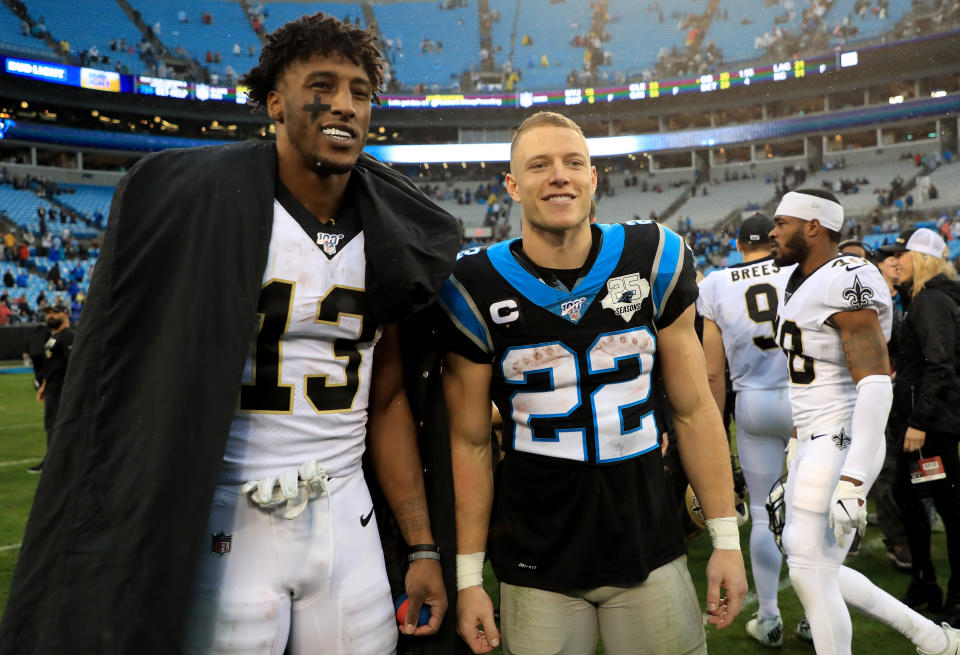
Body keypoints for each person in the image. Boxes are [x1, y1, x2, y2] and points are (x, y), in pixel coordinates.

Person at [0, 13, 462, 655]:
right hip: (228, 513)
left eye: (360, 92)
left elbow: (385, 402)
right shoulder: (206, 212)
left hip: (346, 509)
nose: (344, 105)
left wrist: (420, 544)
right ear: (274, 102)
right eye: (322, 85)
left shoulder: (388, 232)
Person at [439, 111, 747, 655]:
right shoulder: (473, 285)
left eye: (572, 162)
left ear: (593, 177)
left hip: (647, 543)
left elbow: (696, 409)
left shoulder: (654, 256)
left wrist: (726, 539)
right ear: (511, 185)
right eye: (539, 165)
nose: (559, 175)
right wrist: (467, 578)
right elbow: (468, 442)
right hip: (535, 555)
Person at [769, 189, 960, 655]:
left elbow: (875, 382)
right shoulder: (799, 278)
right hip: (815, 436)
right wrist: (795, 448)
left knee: (810, 570)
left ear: (814, 226)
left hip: (843, 435)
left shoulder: (847, 278)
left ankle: (931, 639)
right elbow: (806, 382)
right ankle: (933, 639)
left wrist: (853, 479)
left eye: (782, 222)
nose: (772, 231)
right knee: (812, 567)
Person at [698, 213, 795, 646]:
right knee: (816, 507)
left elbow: (713, 374)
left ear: (738, 246)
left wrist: (715, 428)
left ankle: (770, 616)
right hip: (804, 399)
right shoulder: (797, 270)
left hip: (752, 402)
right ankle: (818, 613)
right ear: (774, 242)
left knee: (761, 513)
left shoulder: (714, 284)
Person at [881, 228, 960, 626]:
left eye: (904, 254)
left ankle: (952, 595)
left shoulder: (929, 301)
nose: (898, 261)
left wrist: (919, 422)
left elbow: (940, 365)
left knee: (945, 503)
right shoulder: (925, 298)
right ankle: (925, 580)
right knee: (909, 495)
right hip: (929, 418)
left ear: (922, 258)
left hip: (931, 423)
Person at [872, 246, 913, 571]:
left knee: (901, 463)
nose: (897, 264)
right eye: (891, 259)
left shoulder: (907, 295)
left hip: (901, 394)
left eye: (900, 258)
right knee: (884, 467)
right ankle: (897, 539)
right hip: (877, 393)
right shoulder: (871, 297)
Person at [25, 303, 73, 473]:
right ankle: (53, 461)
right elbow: (52, 365)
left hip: (61, 390)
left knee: (56, 426)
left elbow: (71, 365)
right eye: (49, 313)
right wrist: (43, 386)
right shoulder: (54, 337)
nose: (50, 315)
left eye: (55, 312)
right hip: (52, 388)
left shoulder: (68, 336)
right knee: (51, 426)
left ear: (66, 315)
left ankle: (54, 464)